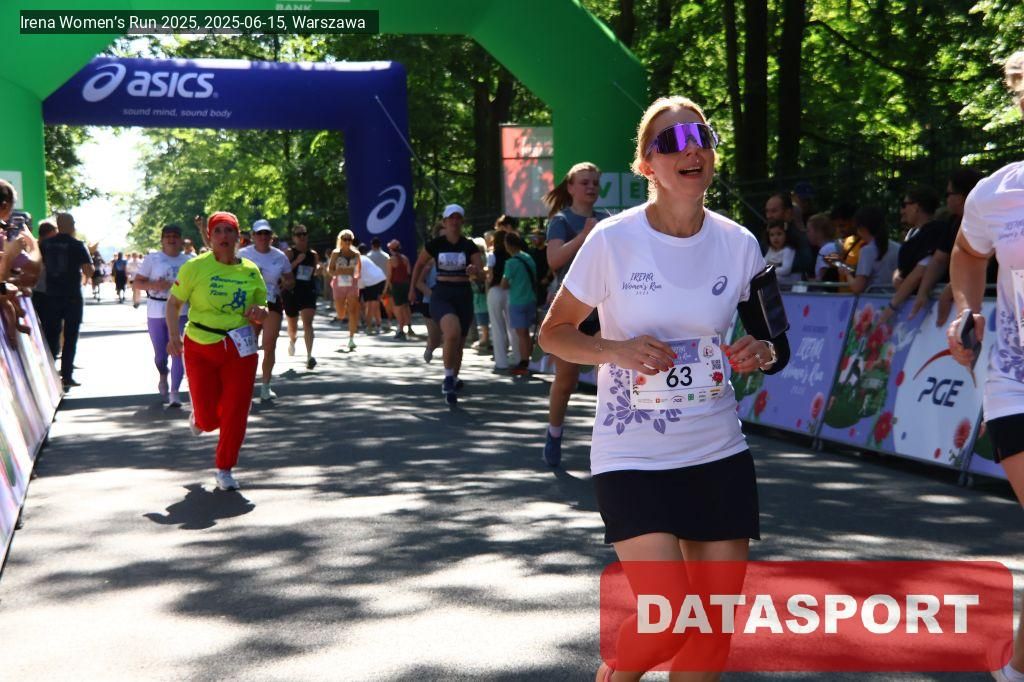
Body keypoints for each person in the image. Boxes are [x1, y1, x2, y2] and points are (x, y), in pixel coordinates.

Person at [539, 96, 790, 681]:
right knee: (670, 618)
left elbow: (776, 342)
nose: (691, 149)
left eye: (701, 136)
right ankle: (618, 673)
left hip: (717, 451)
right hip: (633, 456)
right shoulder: (612, 240)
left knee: (712, 633)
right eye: (672, 141)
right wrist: (614, 350)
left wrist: (762, 352)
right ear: (646, 165)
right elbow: (554, 333)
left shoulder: (739, 244)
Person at [946, 50, 1024, 682]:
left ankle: (1016, 667)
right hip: (1015, 381)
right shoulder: (996, 193)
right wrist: (965, 310)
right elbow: (967, 255)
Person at [166, 211, 268, 491]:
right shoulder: (195, 267)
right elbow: (173, 304)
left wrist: (260, 312)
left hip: (240, 347)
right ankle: (200, 417)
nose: (224, 236)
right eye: (218, 231)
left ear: (238, 237)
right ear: (210, 238)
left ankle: (225, 468)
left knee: (236, 410)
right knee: (209, 419)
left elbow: (263, 305)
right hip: (200, 345)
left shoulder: (250, 270)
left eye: (229, 231)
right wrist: (173, 336)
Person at [543, 161, 613, 467]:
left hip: (602, 310)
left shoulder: (607, 220)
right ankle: (554, 433)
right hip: (570, 313)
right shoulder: (561, 221)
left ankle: (609, 443)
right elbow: (554, 260)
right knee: (566, 380)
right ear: (571, 187)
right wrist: (585, 236)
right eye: (584, 182)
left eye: (595, 183)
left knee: (608, 376)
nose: (591, 187)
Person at [411, 204, 482, 406]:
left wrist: (474, 271)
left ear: (462, 221)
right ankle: (448, 377)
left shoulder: (469, 246)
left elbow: (481, 272)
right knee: (451, 333)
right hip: (442, 294)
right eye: (451, 218)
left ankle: (453, 379)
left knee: (459, 344)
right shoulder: (436, 244)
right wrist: (412, 289)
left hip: (463, 294)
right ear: (444, 221)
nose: (454, 221)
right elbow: (419, 264)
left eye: (458, 218)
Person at [132, 224, 194, 406]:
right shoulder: (153, 259)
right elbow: (137, 283)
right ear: (162, 240)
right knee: (160, 355)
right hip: (157, 310)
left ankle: (175, 392)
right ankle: (163, 374)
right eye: (168, 236)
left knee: (179, 351)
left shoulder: (189, 261)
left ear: (181, 240)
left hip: (181, 311)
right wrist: (154, 285)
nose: (171, 239)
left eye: (175, 236)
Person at [915, 167, 986, 323]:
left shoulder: (988, 220)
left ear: (960, 197)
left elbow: (982, 262)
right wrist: (922, 292)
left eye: (948, 194)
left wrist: (950, 291)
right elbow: (939, 260)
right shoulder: (953, 222)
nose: (946, 199)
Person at [239, 219, 294, 402]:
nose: (263, 237)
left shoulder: (280, 256)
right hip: (250, 303)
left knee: (269, 344)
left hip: (272, 302)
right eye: (259, 233)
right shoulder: (243, 254)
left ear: (271, 236)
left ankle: (265, 386)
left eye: (266, 233)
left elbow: (290, 280)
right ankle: (244, 384)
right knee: (248, 347)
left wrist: (286, 283)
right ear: (253, 236)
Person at [40, 212, 94, 390]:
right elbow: (88, 271)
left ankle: (49, 375)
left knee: (51, 336)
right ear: (71, 225)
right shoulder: (78, 245)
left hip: (50, 296)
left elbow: (38, 266)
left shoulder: (45, 244)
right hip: (72, 297)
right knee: (70, 337)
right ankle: (67, 376)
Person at [282, 223, 320, 369]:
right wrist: (297, 261)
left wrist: (318, 271)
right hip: (291, 291)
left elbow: (314, 272)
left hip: (308, 291)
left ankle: (309, 356)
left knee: (307, 323)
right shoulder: (289, 253)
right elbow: (283, 272)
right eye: (299, 235)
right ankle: (292, 340)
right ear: (294, 238)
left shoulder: (313, 254)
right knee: (292, 326)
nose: (302, 237)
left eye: (304, 234)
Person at [838, 206, 900, 294]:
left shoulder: (867, 251)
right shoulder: (898, 247)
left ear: (862, 228)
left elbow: (857, 288)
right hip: (895, 298)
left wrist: (846, 273)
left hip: (873, 299)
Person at [502, 232, 537, 376]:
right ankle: (529, 361)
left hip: (517, 301)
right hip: (531, 299)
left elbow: (503, 284)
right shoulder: (528, 258)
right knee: (527, 333)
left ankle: (524, 362)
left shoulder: (511, 263)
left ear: (508, 245)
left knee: (521, 334)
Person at [328, 229, 361, 351]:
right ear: (340, 240)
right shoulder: (336, 253)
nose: (347, 241)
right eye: (345, 239)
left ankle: (351, 339)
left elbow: (359, 270)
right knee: (341, 314)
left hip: (352, 285)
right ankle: (343, 311)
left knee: (353, 311)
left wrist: (354, 275)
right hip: (339, 285)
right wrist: (338, 272)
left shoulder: (356, 254)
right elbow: (330, 270)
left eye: (349, 239)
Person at [486, 230, 514, 372]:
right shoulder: (512, 256)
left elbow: (490, 276)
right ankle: (517, 357)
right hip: (510, 291)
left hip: (495, 290)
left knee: (497, 326)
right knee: (513, 326)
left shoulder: (492, 255)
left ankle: (501, 362)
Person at [384, 238, 413, 341]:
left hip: (396, 286)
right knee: (406, 306)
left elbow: (389, 275)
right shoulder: (405, 259)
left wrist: (385, 289)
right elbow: (409, 273)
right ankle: (409, 327)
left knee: (398, 308)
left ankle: (401, 330)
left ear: (391, 249)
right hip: (406, 285)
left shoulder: (391, 260)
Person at [358, 244, 388, 335]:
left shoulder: (357, 260)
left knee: (370, 305)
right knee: (375, 304)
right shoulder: (365, 258)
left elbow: (359, 278)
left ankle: (369, 327)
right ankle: (378, 325)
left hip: (372, 282)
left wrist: (360, 289)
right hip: (379, 279)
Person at [764, 221, 800, 285]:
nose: (775, 238)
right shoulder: (771, 250)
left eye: (779, 234)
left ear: (786, 235)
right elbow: (763, 264)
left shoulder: (788, 250)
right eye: (772, 235)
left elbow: (786, 270)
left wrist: (768, 271)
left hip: (789, 282)